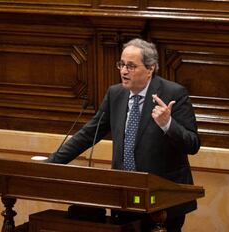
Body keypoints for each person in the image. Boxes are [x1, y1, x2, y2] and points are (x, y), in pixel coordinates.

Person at [47, 38, 201, 231]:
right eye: (121, 64)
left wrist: (168, 124)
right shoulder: (115, 94)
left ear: (150, 68)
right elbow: (88, 134)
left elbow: (192, 144)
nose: (123, 71)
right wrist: (51, 164)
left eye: (131, 66)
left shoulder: (173, 93)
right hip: (125, 196)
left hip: (162, 201)